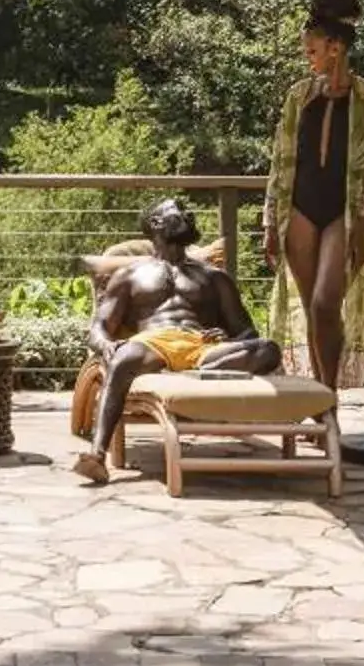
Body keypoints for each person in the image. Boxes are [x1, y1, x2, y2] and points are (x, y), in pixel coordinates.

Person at [72, 195, 281, 484]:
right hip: (154, 343)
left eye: (188, 210)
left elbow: (247, 333)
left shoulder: (214, 278)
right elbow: (99, 326)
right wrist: (106, 345)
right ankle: (96, 455)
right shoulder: (129, 275)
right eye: (179, 211)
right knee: (122, 359)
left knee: (270, 350)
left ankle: (193, 374)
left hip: (205, 349)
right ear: (156, 223)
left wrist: (225, 336)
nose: (188, 214)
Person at [261, 0, 364, 389]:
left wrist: (363, 225)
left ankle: (330, 394)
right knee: (309, 306)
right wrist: (271, 224)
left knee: (324, 305)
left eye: (312, 51)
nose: (309, 58)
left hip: (344, 212)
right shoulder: (299, 96)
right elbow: (280, 161)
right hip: (299, 207)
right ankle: (320, 403)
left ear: (335, 48)